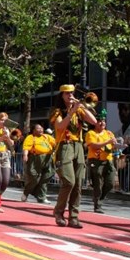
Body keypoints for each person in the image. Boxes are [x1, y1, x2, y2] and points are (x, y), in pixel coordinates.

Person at [50, 84, 97, 228]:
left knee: (78, 184)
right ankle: (58, 212)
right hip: (65, 146)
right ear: (61, 96)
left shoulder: (79, 109)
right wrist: (71, 112)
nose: (70, 96)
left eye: (72, 93)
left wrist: (81, 106)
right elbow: (60, 127)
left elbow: (94, 121)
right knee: (69, 182)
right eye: (67, 94)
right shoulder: (57, 111)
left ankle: (74, 217)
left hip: (78, 146)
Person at [85, 111, 116, 213]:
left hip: (108, 160)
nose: (102, 123)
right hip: (96, 161)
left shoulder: (109, 133)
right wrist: (107, 142)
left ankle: (99, 199)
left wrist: (118, 145)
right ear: (94, 123)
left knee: (110, 183)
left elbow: (114, 146)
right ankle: (97, 205)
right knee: (98, 183)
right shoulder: (91, 133)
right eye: (100, 121)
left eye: (104, 121)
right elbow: (93, 145)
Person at [21, 124, 56, 203]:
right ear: (34, 130)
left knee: (46, 177)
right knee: (34, 178)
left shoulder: (47, 137)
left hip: (48, 158)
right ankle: (26, 192)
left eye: (41, 128)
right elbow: (26, 147)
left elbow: (56, 144)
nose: (41, 130)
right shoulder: (30, 137)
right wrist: (25, 155)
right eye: (38, 128)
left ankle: (42, 197)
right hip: (35, 159)